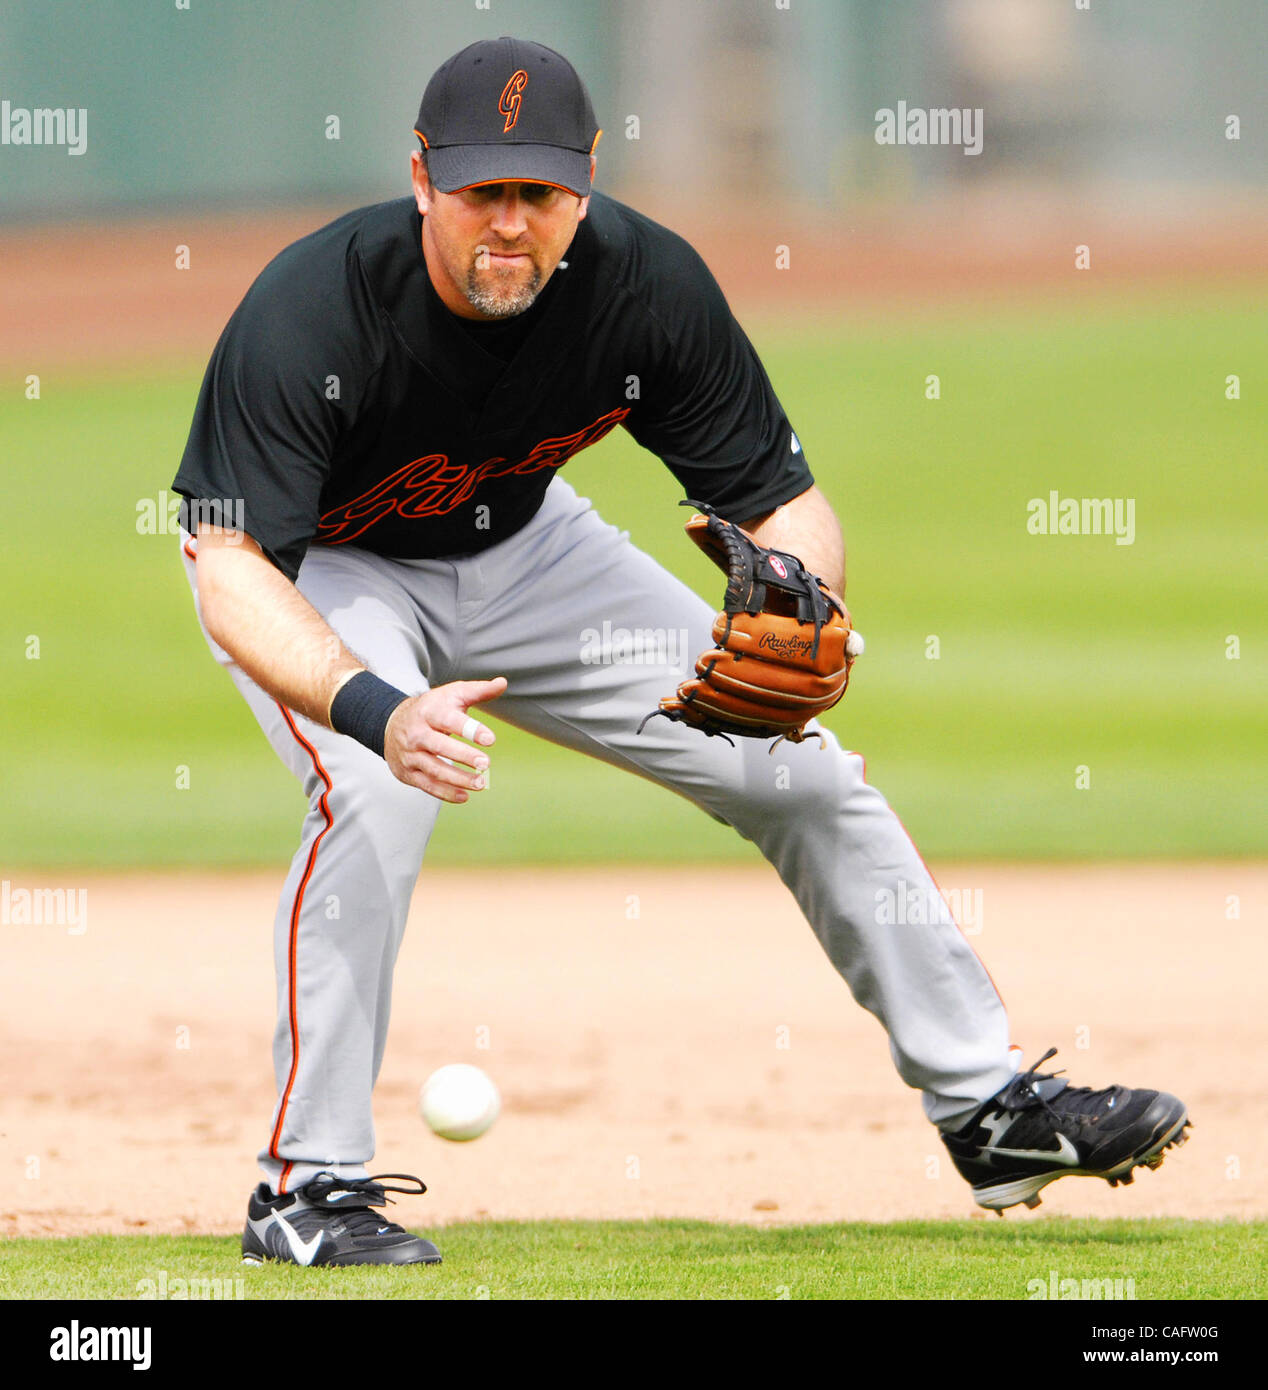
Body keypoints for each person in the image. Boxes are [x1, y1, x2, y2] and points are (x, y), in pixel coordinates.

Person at [172, 37, 1189, 1268]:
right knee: (373, 791)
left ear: (585, 184)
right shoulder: (312, 305)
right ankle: (306, 1185)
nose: (509, 224)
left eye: (536, 195)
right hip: (318, 572)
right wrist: (375, 704)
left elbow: (783, 499)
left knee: (799, 770)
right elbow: (230, 568)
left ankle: (988, 1112)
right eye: (482, 192)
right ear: (421, 179)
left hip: (530, 549)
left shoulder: (644, 286)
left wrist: (802, 599)